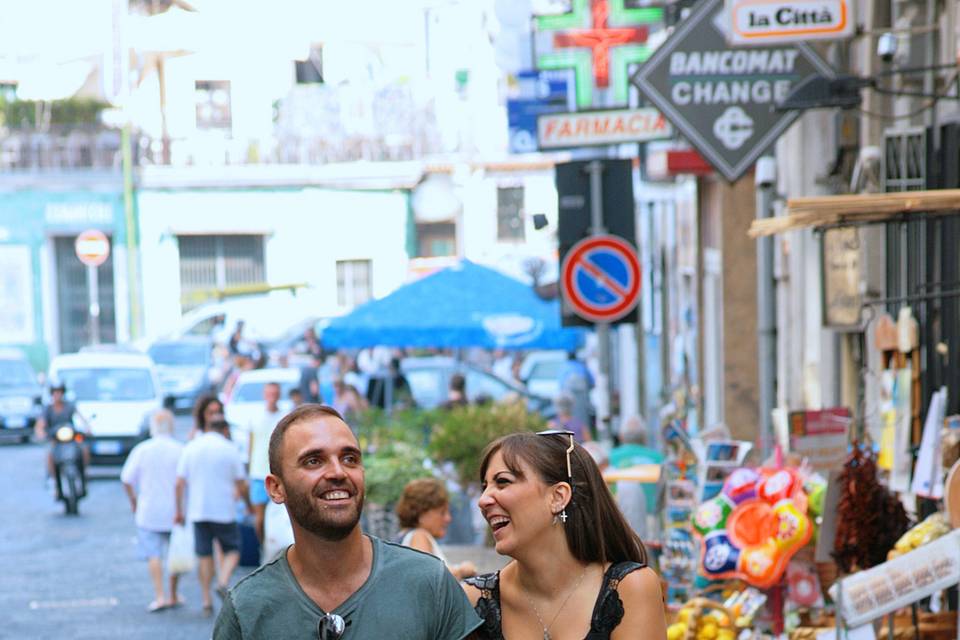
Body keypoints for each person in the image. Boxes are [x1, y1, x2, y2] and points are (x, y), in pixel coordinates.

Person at [213, 404, 482, 639]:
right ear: (275, 488)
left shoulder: (428, 582)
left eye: (349, 458)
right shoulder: (247, 607)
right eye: (313, 461)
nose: (338, 472)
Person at [463, 430, 666, 640]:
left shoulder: (630, 589)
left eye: (503, 482)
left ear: (558, 497)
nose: (483, 500)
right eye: (484, 487)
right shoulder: (474, 600)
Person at [175, 419, 252, 616]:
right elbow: (242, 483)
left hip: (198, 510)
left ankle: (206, 600)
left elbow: (179, 483)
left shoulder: (191, 447)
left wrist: (179, 510)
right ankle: (223, 580)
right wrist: (248, 504)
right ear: (225, 429)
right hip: (224, 509)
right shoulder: (229, 449)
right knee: (233, 549)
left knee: (204, 555)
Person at [120, 409, 184, 612]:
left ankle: (160, 596)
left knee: (153, 554)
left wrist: (133, 500)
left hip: (148, 510)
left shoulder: (142, 450)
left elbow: (126, 479)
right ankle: (173, 593)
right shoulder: (180, 449)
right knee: (175, 553)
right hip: (175, 511)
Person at [395, 478, 477, 580]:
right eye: (442, 512)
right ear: (421, 514)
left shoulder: (403, 536)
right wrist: (461, 570)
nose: (448, 518)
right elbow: (427, 575)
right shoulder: (419, 535)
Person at [245, 382, 284, 543]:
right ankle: (263, 547)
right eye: (269, 393)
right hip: (258, 474)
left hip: (277, 473)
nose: (272, 397)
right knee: (259, 519)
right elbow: (250, 445)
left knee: (279, 518)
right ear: (264, 395)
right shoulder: (255, 417)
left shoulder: (283, 417)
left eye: (275, 393)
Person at [34, 382, 89, 493]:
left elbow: (81, 418)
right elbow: (40, 424)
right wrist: (40, 433)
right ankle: (53, 479)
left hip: (71, 437)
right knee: (49, 453)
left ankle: (84, 471)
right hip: (55, 439)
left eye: (59, 392)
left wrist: (87, 428)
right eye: (55, 392)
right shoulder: (48, 409)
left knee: (84, 448)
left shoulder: (69, 406)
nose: (57, 395)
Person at [557, 351, 594, 430]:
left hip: (568, 396)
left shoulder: (564, 366)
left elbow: (560, 384)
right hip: (582, 396)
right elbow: (592, 382)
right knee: (582, 417)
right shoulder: (582, 366)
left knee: (567, 415)